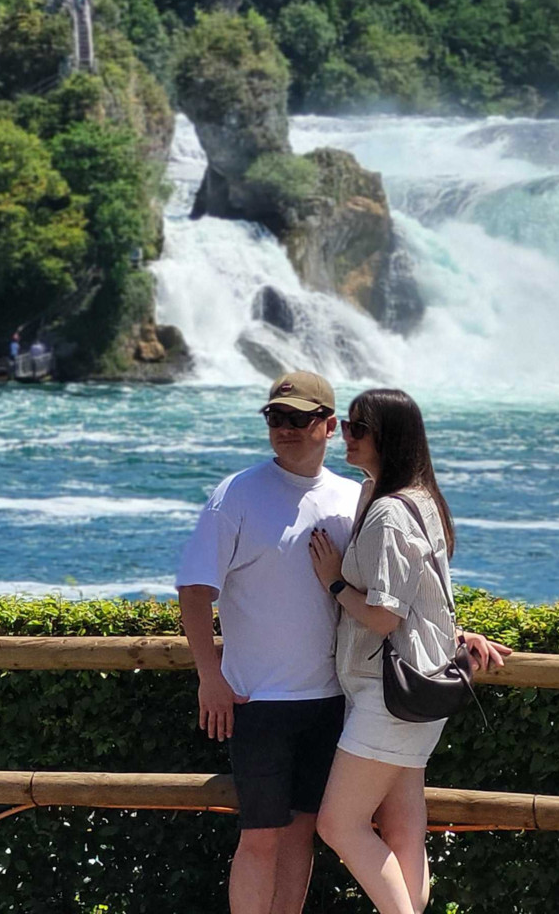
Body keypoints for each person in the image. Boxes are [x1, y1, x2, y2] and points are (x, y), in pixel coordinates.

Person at [306, 389, 512, 914]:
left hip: (387, 695)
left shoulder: (387, 514)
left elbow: (384, 614)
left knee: (338, 823)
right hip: (418, 688)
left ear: (388, 438)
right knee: (401, 831)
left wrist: (332, 582)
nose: (346, 436)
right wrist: (457, 634)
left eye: (358, 428)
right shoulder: (411, 498)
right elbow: (426, 594)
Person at [177, 372, 359, 914]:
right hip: (255, 702)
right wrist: (211, 678)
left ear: (329, 425)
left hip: (330, 699)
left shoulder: (355, 498)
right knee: (259, 837)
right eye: (276, 418)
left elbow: (393, 589)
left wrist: (456, 630)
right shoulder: (235, 494)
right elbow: (194, 590)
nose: (286, 429)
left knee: (303, 833)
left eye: (299, 419)